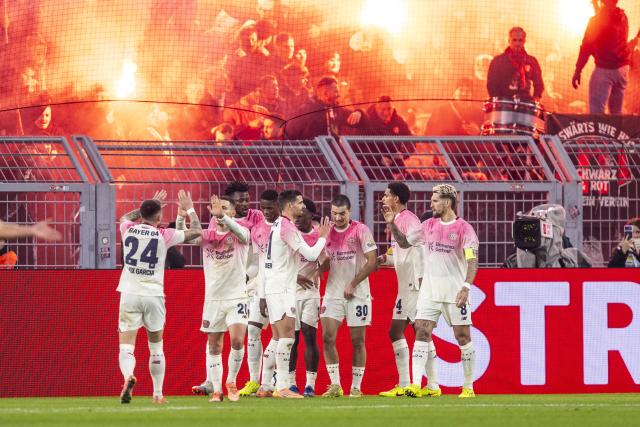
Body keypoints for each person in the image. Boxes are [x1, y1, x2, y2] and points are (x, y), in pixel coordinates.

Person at [383, 184, 479, 398]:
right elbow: (405, 243)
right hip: (429, 291)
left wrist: (466, 286)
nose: (431, 204)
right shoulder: (427, 225)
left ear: (447, 202)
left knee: (462, 337)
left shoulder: (464, 228)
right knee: (422, 332)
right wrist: (393, 226)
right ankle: (416, 385)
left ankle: (468, 387)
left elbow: (472, 260)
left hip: (454, 292)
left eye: (435, 200)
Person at [116, 189, 202, 404]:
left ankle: (128, 377)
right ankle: (157, 394)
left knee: (127, 346)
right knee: (156, 347)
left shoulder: (128, 229)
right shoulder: (164, 235)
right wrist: (190, 209)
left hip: (130, 293)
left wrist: (147, 207)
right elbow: (196, 232)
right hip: (154, 294)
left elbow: (124, 217)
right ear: (160, 217)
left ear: (142, 214)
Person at [192, 181, 264, 396]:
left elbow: (251, 237)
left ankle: (249, 380)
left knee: (245, 335)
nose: (245, 203)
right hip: (222, 286)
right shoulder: (216, 220)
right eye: (240, 200)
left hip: (251, 281)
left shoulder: (257, 217)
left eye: (246, 199)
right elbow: (204, 239)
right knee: (215, 338)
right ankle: (212, 382)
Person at [181, 194, 251, 402]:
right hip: (213, 300)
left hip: (237, 296)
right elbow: (185, 235)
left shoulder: (241, 233)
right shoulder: (207, 236)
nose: (220, 210)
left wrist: (223, 217)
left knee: (238, 341)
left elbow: (244, 235)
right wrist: (186, 213)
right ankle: (217, 390)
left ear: (232, 212)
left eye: (225, 208)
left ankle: (231, 381)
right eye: (217, 208)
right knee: (214, 346)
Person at [262, 190, 330, 398]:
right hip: (283, 288)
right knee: (288, 337)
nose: (303, 206)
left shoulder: (276, 226)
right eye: (300, 202)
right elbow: (310, 254)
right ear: (290, 205)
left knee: (276, 338)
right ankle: (282, 386)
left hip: (275, 286)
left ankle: (265, 385)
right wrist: (323, 238)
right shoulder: (287, 226)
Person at [320, 195, 377, 398]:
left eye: (342, 213)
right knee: (327, 337)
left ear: (349, 212)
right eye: (334, 213)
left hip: (358, 294)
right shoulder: (327, 233)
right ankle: (335, 385)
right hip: (333, 293)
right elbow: (324, 265)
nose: (338, 217)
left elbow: (373, 261)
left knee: (357, 341)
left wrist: (353, 283)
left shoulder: (360, 230)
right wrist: (320, 242)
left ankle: (356, 387)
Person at [377, 183, 427, 398]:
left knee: (420, 332)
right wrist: (384, 259)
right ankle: (404, 383)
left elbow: (406, 245)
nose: (383, 199)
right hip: (403, 286)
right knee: (395, 331)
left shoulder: (409, 220)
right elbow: (398, 253)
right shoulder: (397, 220)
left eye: (386, 195)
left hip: (414, 285)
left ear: (396, 199)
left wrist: (392, 226)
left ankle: (431, 384)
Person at [238, 189, 280, 397]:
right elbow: (258, 262)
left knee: (282, 336)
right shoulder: (258, 229)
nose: (266, 212)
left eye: (269, 208)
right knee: (252, 330)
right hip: (261, 287)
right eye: (263, 208)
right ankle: (254, 380)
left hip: (283, 289)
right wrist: (246, 277)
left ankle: (275, 380)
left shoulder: (287, 227)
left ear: (279, 206)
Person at [572, 0, 633, 114]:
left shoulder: (596, 21)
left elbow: (586, 47)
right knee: (616, 114)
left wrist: (578, 70)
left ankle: (597, 132)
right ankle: (617, 131)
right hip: (623, 69)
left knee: (596, 114)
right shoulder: (623, 17)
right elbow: (607, 24)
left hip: (605, 69)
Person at [288, 198, 322, 397]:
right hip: (290, 292)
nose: (298, 218)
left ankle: (310, 384)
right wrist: (295, 275)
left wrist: (318, 271)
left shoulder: (318, 237)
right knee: (291, 339)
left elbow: (326, 262)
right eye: (297, 214)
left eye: (302, 214)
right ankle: (290, 382)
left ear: (311, 215)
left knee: (310, 335)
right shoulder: (289, 234)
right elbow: (278, 262)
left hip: (310, 293)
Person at [284, 76, 363, 140]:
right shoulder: (306, 111)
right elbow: (289, 133)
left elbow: (363, 122)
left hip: (332, 157)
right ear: (326, 94)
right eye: (335, 92)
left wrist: (359, 112)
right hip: (313, 157)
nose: (339, 95)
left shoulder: (337, 110)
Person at [487, 27, 544, 102]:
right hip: (504, 104)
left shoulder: (531, 61)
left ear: (524, 41)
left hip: (525, 104)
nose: (517, 43)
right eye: (514, 40)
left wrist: (536, 97)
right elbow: (492, 84)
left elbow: (539, 84)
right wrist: (498, 100)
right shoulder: (498, 61)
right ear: (509, 41)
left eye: (520, 40)